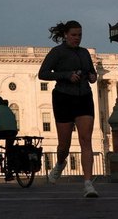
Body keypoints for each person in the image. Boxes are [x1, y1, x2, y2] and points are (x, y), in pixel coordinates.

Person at [38, 20, 99, 198]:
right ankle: (60, 163)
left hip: (84, 97)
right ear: (65, 35)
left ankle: (88, 183)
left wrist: (92, 76)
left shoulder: (85, 53)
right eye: (73, 35)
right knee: (64, 144)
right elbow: (43, 73)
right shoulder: (57, 52)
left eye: (79, 35)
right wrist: (66, 75)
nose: (77, 38)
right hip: (63, 97)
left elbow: (91, 73)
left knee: (86, 140)